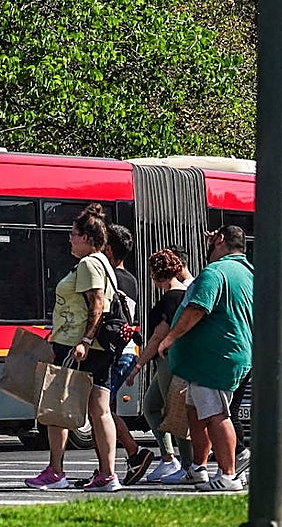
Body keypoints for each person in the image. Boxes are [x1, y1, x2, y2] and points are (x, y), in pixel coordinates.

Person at [24, 203, 120, 492]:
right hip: (97, 346)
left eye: (73, 234)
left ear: (87, 238)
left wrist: (84, 340)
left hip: (79, 346)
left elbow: (97, 304)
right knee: (100, 410)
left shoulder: (89, 263)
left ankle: (56, 471)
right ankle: (107, 474)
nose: (69, 239)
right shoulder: (104, 263)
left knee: (57, 409)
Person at [157, 225, 253, 493]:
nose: (207, 246)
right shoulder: (247, 272)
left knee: (215, 414)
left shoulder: (216, 271)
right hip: (222, 356)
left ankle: (228, 475)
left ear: (220, 240)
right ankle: (198, 468)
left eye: (212, 241)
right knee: (196, 411)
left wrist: (171, 338)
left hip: (213, 359)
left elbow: (198, 307)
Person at [126, 248, 194, 482]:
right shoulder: (187, 293)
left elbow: (157, 337)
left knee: (175, 413)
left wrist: (137, 367)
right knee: (152, 406)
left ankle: (187, 465)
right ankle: (170, 458)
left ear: (156, 274)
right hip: (180, 359)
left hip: (169, 361)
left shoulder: (171, 298)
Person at [103, 223, 153, 486]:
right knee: (104, 409)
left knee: (100, 410)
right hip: (128, 351)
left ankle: (134, 453)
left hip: (116, 352)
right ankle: (110, 464)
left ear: (108, 249)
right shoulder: (131, 279)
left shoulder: (110, 277)